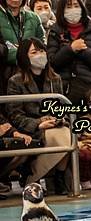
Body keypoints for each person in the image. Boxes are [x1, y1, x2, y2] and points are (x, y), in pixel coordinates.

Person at [6, 37, 71, 194]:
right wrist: (38, 123)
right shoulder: (15, 81)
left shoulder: (55, 79)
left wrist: (58, 119)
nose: (40, 55)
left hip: (54, 124)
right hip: (30, 127)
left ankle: (59, 177)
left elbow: (62, 108)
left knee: (65, 134)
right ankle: (33, 176)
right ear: (24, 56)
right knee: (58, 137)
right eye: (34, 52)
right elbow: (15, 115)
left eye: (42, 51)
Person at [46, 0, 91, 103]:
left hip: (89, 89)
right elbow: (52, 62)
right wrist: (70, 49)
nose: (73, 9)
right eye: (69, 6)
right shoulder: (55, 31)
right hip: (64, 88)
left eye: (76, 6)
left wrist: (83, 50)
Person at [0, 0, 45, 95]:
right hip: (5, 73)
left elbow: (43, 45)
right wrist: (23, 54)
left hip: (33, 73)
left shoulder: (33, 17)